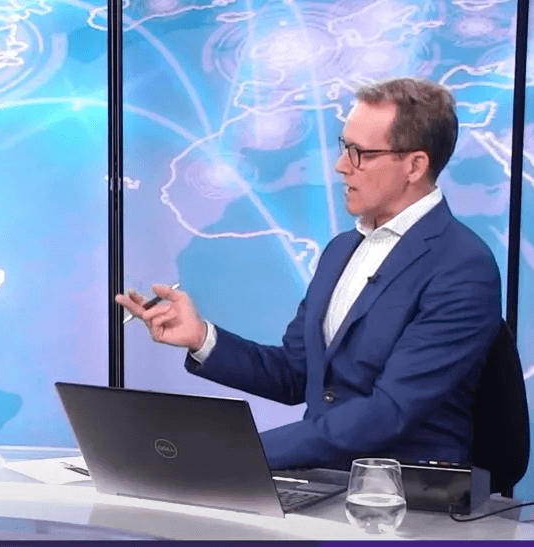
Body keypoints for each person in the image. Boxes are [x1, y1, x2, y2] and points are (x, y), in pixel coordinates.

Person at [116, 77, 502, 471]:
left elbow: (391, 410)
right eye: (343, 147)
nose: (340, 166)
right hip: (325, 481)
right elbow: (294, 375)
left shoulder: (462, 266)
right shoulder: (341, 250)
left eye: (360, 154)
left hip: (407, 499)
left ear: (415, 165)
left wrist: (239, 454)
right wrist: (201, 338)